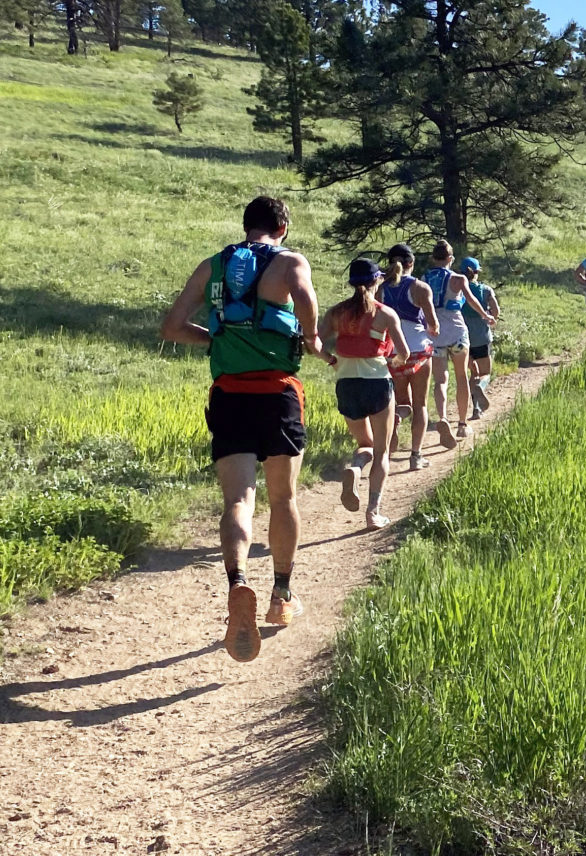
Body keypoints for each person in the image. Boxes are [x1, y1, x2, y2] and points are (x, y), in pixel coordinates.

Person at [159, 196, 322, 663]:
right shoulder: (290, 263)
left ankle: (237, 581)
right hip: (278, 394)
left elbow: (171, 327)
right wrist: (309, 339)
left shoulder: (213, 265)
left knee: (238, 500)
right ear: (282, 227)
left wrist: (216, 337)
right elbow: (308, 303)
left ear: (246, 226)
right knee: (283, 498)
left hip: (229, 393)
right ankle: (282, 593)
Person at [318, 258, 405, 530]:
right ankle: (373, 513)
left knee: (364, 444)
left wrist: (331, 361)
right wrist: (394, 362)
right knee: (381, 452)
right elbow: (404, 352)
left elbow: (313, 342)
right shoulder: (385, 313)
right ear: (377, 280)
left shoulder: (336, 313)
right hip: (377, 383)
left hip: (347, 384)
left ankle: (355, 468)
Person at [422, 240, 491, 445]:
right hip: (458, 333)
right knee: (462, 377)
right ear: (450, 259)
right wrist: (486, 316)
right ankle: (462, 424)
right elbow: (471, 300)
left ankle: (443, 417)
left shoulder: (424, 279)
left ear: (434, 258)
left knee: (441, 381)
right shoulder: (459, 279)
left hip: (434, 335)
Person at [376, 244, 438, 472]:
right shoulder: (420, 288)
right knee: (420, 403)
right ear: (411, 263)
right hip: (418, 352)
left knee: (399, 403)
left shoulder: (380, 290)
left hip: (392, 353)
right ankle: (416, 455)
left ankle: (388, 450)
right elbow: (433, 324)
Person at [459, 257, 500, 420]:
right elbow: (496, 311)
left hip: (463, 338)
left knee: (473, 374)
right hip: (482, 337)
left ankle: (476, 409)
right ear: (476, 272)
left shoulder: (458, 288)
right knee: (485, 373)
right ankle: (481, 389)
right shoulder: (486, 289)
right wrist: (490, 316)